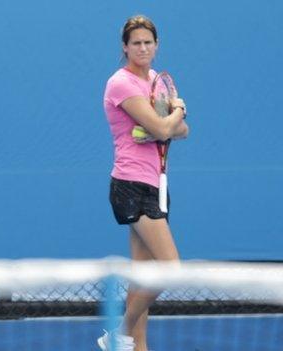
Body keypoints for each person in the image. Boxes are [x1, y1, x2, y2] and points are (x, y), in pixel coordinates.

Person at [99, 15, 189, 351]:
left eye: (148, 42)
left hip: (155, 184)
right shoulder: (120, 83)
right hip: (130, 186)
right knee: (169, 269)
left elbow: (180, 132)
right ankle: (118, 334)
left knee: (143, 277)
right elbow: (168, 128)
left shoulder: (154, 80)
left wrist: (166, 124)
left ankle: (139, 348)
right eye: (135, 43)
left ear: (156, 45)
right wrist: (177, 110)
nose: (142, 48)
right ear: (125, 47)